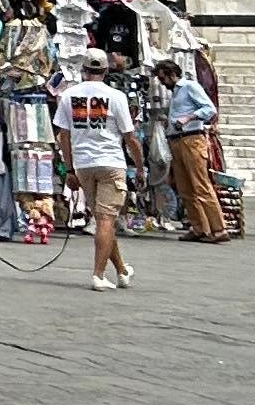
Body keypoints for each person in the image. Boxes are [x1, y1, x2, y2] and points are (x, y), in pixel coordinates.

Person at [58, 47, 140, 288]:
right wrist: (140, 166)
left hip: (83, 165)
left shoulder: (68, 95)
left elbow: (64, 135)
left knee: (104, 219)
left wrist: (69, 169)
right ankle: (98, 275)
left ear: (83, 69)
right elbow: (130, 136)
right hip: (111, 162)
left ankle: (122, 271)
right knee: (106, 219)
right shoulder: (116, 96)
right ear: (106, 70)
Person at [153, 59, 231, 239]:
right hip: (177, 140)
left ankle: (218, 228)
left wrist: (188, 118)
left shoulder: (189, 86)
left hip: (192, 139)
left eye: (163, 78)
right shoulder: (175, 93)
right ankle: (199, 227)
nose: (162, 83)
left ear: (172, 74)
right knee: (185, 186)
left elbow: (209, 109)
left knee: (200, 183)